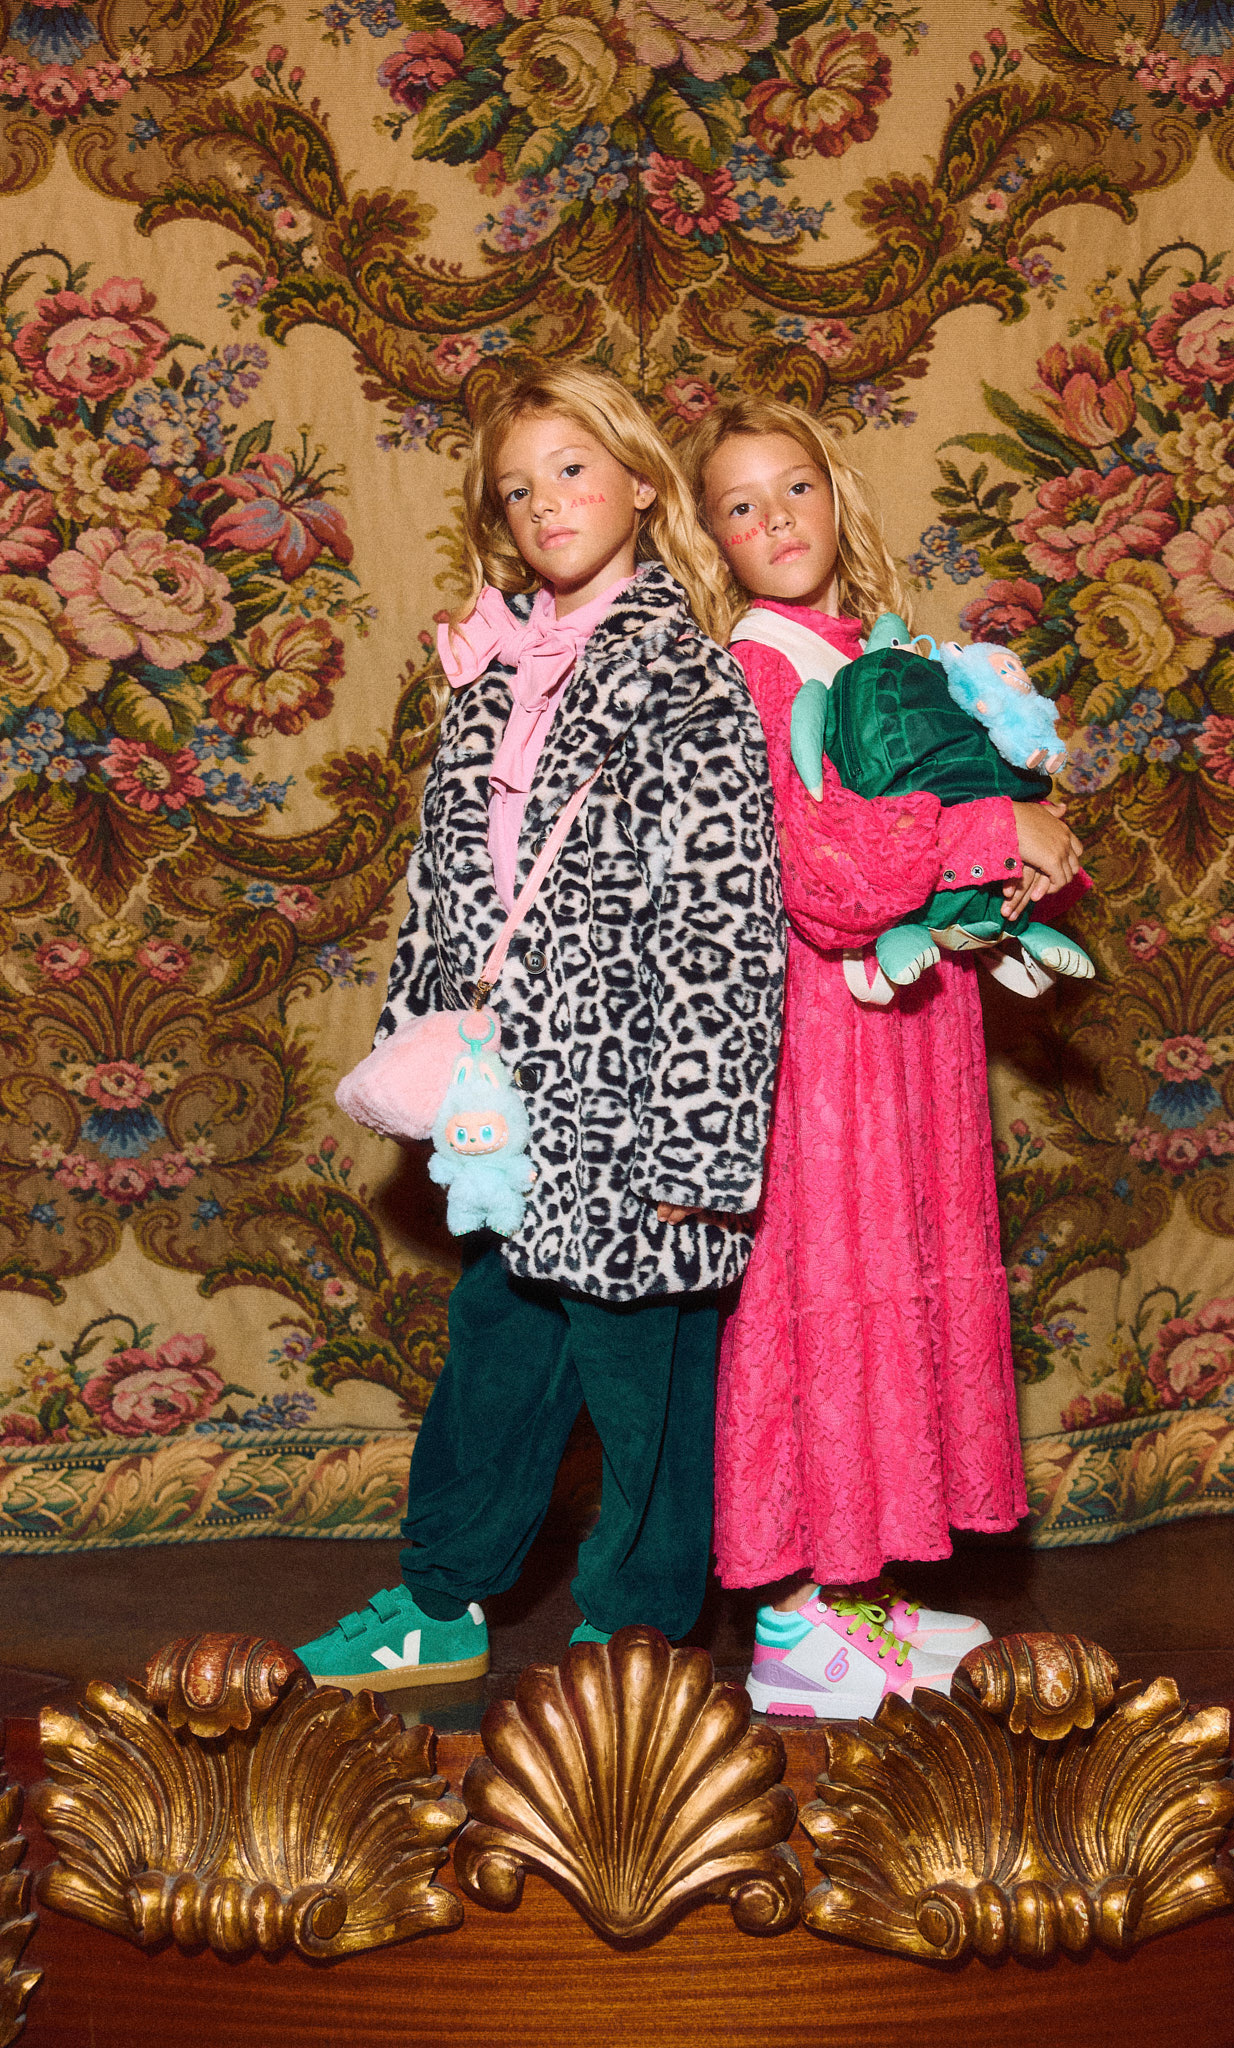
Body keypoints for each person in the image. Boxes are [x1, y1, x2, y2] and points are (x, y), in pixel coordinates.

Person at [297, 364, 786, 1691]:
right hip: (506, 1113)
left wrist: (700, 1152)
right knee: (495, 1360)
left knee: (644, 1390)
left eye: (572, 470)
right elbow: (442, 897)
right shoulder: (488, 674)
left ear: (641, 484)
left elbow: (724, 926)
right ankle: (439, 1600)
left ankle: (631, 1638)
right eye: (518, 489)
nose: (546, 503)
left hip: (638, 1113)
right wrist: (420, 1060)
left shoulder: (687, 678)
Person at [682, 396, 1084, 1723]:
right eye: (741, 505)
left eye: (793, 487)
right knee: (825, 1301)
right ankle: (791, 1629)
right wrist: (989, 834)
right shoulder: (757, 671)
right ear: (712, 538)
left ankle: (851, 1584)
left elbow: (943, 792)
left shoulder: (870, 647)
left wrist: (1021, 836)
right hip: (823, 1048)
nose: (776, 519)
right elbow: (828, 875)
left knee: (889, 1291)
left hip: (904, 1038)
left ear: (835, 493)